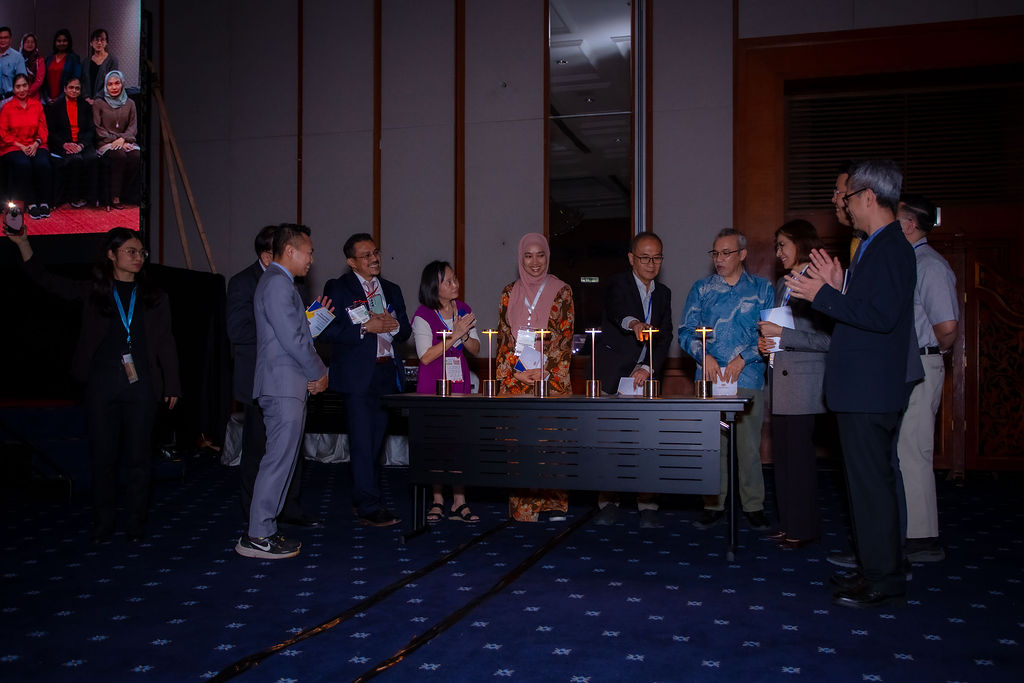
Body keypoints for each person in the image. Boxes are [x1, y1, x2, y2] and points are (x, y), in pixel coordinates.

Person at [787, 159, 922, 609]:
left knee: (872, 487)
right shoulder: (874, 246)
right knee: (865, 487)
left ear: (867, 196)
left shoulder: (890, 247)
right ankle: (873, 569)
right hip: (863, 388)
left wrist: (822, 295)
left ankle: (883, 578)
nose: (843, 205)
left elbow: (880, 317)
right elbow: (867, 308)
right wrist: (839, 285)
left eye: (846, 197)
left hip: (871, 389)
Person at [6, 227, 180, 543]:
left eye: (141, 252)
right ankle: (103, 522)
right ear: (111, 255)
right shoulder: (94, 292)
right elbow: (46, 280)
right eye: (130, 251)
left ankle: (135, 523)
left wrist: (173, 384)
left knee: (140, 459)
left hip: (142, 387)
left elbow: (166, 341)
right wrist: (23, 244)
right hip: (101, 386)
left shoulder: (155, 297)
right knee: (103, 458)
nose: (138, 257)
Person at [235, 224, 329, 560]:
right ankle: (258, 534)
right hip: (282, 384)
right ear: (290, 251)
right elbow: (294, 339)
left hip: (285, 383)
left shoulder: (278, 282)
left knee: (283, 460)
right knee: (277, 461)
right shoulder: (277, 283)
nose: (311, 259)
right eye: (309, 252)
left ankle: (265, 529)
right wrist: (320, 372)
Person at [679, 228, 773, 531]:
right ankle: (713, 503)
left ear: (742, 254)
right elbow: (685, 331)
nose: (719, 259)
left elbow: (769, 333)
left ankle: (754, 505)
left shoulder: (762, 289)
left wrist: (744, 358)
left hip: (748, 376)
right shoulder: (701, 289)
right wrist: (702, 354)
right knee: (712, 446)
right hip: (708, 379)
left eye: (726, 253)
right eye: (715, 253)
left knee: (748, 447)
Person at [320, 233, 411, 527]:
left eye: (376, 252)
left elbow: (405, 330)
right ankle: (369, 505)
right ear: (351, 262)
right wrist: (364, 328)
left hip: (386, 374)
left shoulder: (391, 289)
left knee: (375, 442)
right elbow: (323, 331)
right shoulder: (337, 288)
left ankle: (364, 496)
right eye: (366, 255)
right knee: (361, 441)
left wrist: (394, 325)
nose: (374, 259)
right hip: (357, 376)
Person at [757, 220, 831, 548]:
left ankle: (804, 529)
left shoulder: (818, 282)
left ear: (800, 243)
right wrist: (767, 343)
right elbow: (780, 330)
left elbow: (827, 340)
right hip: (780, 381)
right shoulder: (782, 284)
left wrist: (782, 335)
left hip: (803, 385)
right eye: (777, 246)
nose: (778, 252)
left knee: (799, 461)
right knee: (783, 460)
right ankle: (788, 525)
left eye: (782, 245)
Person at [592, 232, 673, 528]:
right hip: (612, 375)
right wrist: (635, 323)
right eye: (645, 257)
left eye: (657, 257)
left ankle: (648, 503)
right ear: (631, 259)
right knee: (609, 443)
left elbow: (665, 336)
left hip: (644, 376)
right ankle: (608, 502)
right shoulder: (618, 284)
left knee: (648, 442)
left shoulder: (663, 294)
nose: (651, 264)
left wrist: (648, 368)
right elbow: (617, 312)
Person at [895, 193, 959, 563]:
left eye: (895, 220)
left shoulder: (930, 265)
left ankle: (922, 538)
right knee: (903, 449)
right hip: (909, 364)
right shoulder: (909, 261)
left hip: (922, 363)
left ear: (909, 224)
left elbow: (947, 327)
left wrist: (933, 352)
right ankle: (907, 529)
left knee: (914, 449)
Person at [496, 232, 575, 522]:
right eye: (528, 256)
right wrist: (518, 371)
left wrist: (543, 371)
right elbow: (504, 338)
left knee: (551, 441)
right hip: (517, 379)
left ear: (547, 256)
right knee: (521, 443)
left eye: (540, 254)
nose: (534, 262)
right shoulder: (509, 292)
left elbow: (564, 338)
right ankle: (525, 508)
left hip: (550, 379)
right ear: (521, 258)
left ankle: (553, 503)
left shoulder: (562, 290)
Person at [411, 260, 481, 523]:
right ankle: (438, 499)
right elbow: (425, 356)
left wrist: (465, 335)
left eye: (455, 279)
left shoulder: (464, 310)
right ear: (434, 287)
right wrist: (454, 334)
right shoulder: (423, 315)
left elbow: (476, 349)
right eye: (448, 281)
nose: (455, 284)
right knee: (436, 442)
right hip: (433, 383)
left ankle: (460, 502)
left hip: (459, 380)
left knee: (460, 441)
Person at [0, 73, 52, 219]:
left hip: (36, 144)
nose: (22, 89)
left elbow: (43, 129)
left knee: (43, 163)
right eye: (18, 86)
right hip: (13, 146)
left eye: (24, 85)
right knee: (23, 165)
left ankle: (44, 202)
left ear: (29, 87)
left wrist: (36, 143)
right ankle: (30, 203)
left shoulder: (37, 105)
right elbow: (3, 133)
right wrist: (21, 146)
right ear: (13, 89)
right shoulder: (7, 108)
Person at [45, 76, 98, 208]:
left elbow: (91, 130)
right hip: (63, 144)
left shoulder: (85, 106)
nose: (74, 91)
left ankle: (92, 198)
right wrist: (64, 144)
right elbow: (51, 132)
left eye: (77, 88)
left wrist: (81, 145)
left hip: (82, 144)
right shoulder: (55, 107)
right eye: (71, 88)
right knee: (75, 160)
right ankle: (74, 197)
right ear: (65, 89)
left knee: (92, 158)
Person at [92, 70, 140, 210]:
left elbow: (133, 128)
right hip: (105, 142)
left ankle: (129, 195)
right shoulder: (99, 103)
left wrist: (123, 140)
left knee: (137, 156)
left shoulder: (130, 103)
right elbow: (98, 128)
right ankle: (115, 196)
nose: (114, 87)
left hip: (125, 141)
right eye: (110, 84)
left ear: (122, 84)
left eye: (117, 83)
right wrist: (117, 140)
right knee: (119, 155)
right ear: (105, 86)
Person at [43, 29, 82, 104]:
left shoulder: (74, 58)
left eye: (64, 41)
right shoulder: (49, 58)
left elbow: (75, 79)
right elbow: (44, 81)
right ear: (55, 42)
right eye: (59, 41)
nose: (61, 43)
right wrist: (47, 98)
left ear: (69, 42)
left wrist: (60, 98)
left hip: (66, 100)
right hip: (48, 101)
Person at [83, 28, 118, 104]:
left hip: (105, 102)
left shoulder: (112, 60)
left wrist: (97, 98)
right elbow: (82, 81)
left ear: (106, 42)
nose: (99, 43)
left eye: (102, 40)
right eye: (96, 40)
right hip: (87, 102)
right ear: (91, 43)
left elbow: (112, 83)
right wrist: (86, 97)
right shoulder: (86, 62)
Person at [0, 26, 26, 106]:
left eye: (5, 38)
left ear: (10, 39)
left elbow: (22, 80)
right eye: (0, 38)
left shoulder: (17, 57)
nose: (2, 40)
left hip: (10, 99)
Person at [19, 33, 44, 100]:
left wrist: (28, 92)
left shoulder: (39, 60)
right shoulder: (17, 59)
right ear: (23, 44)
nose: (30, 44)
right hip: (18, 94)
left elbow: (39, 81)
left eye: (32, 42)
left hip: (33, 96)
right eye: (27, 42)